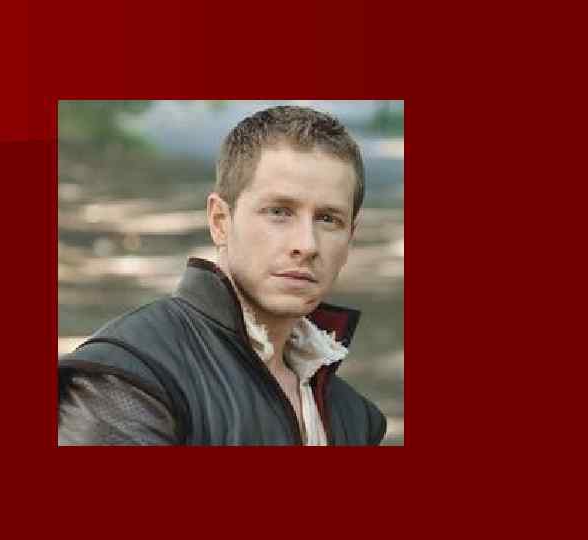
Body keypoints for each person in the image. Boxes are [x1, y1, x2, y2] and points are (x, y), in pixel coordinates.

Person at [58, 105, 387, 445]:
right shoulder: (132, 377)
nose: (306, 244)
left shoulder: (354, 419)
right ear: (220, 221)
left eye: (328, 219)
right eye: (279, 212)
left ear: (349, 239)